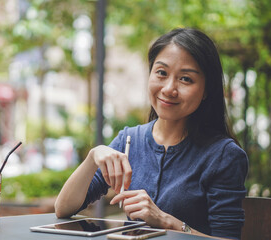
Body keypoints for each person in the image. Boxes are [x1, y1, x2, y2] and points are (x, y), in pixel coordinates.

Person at [55, 28, 248, 240]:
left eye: (185, 79)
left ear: (206, 91)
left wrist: (168, 222)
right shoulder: (129, 140)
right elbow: (63, 209)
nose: (168, 89)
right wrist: (93, 157)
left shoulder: (223, 156)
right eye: (161, 73)